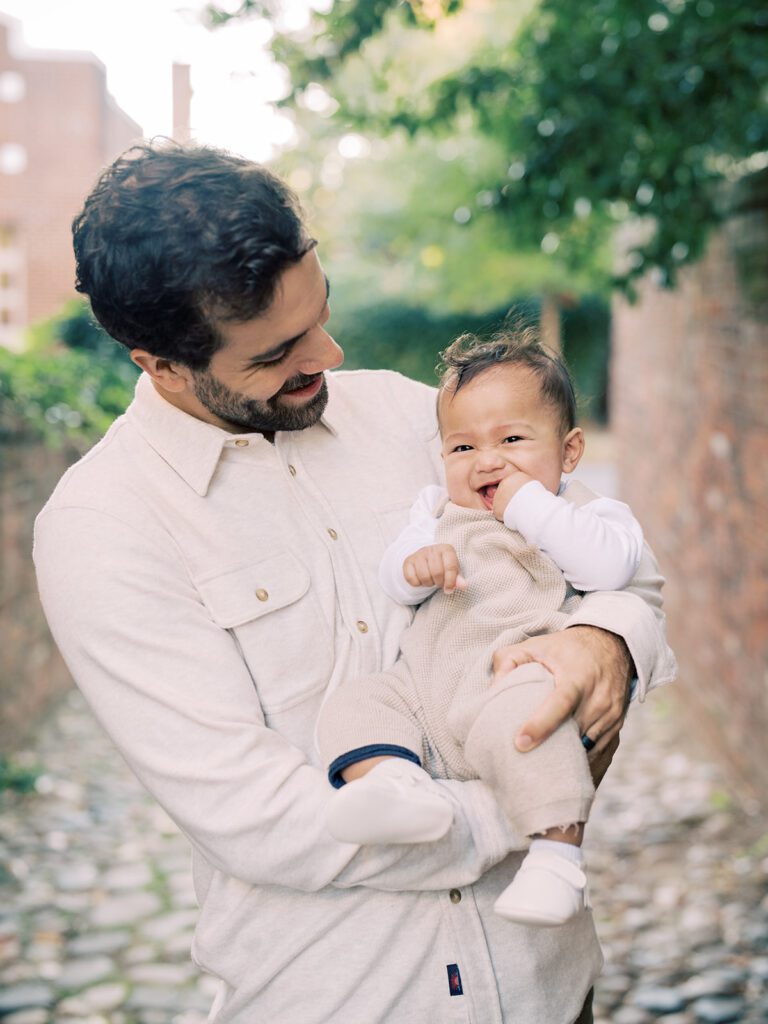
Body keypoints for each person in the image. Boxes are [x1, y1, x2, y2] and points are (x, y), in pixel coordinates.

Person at [33, 140, 676, 1024]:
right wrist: (532, 802)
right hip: (348, 1000)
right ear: (160, 362)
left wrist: (606, 644)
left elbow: (619, 566)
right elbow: (265, 820)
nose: (327, 354)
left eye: (321, 314)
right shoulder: (101, 529)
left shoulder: (416, 416)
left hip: (549, 985)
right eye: (276, 355)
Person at [318, 331, 647, 928]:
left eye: (513, 440)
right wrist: (417, 565)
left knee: (530, 727)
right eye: (462, 446)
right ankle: (397, 784)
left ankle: (555, 857)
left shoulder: (584, 513)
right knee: (357, 703)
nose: (486, 461)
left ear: (569, 452)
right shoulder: (436, 510)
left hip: (513, 672)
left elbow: (610, 569)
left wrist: (526, 504)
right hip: (424, 684)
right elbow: (397, 576)